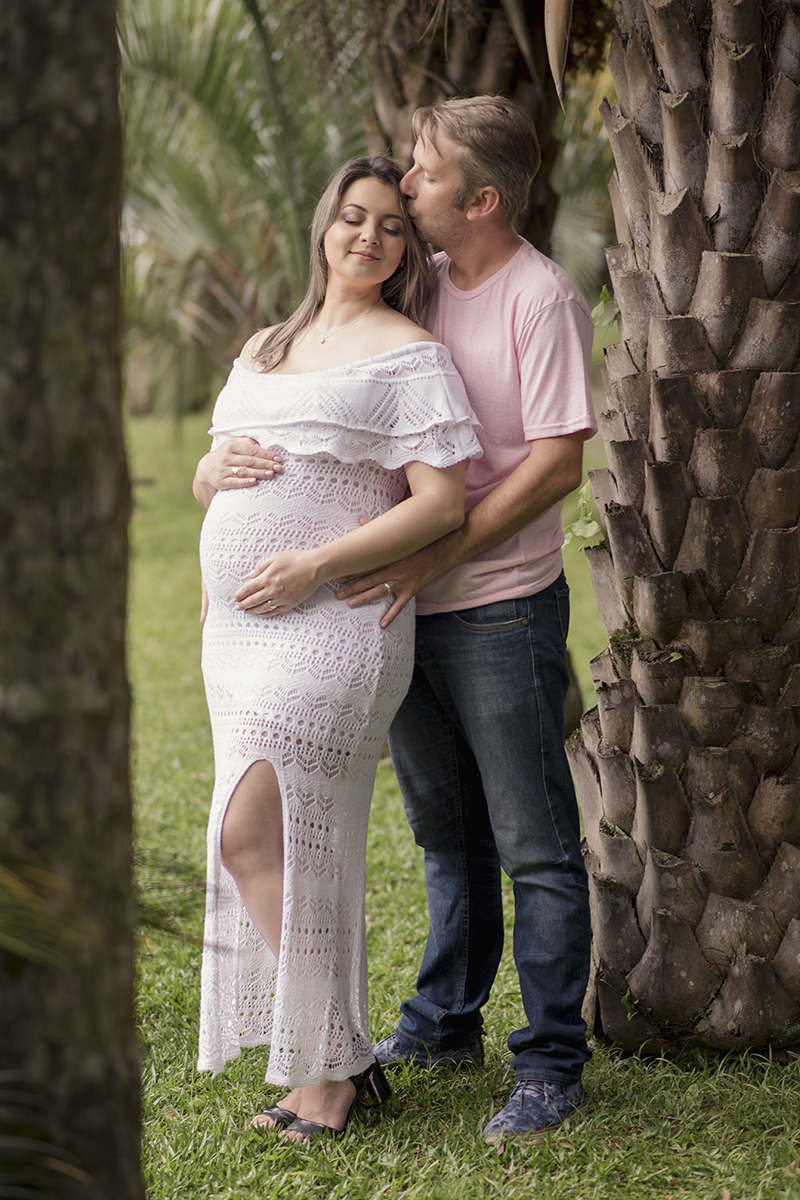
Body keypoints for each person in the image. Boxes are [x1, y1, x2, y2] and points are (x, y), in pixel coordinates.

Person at [192, 156, 481, 1144]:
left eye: (392, 226)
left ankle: (328, 1079)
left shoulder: (407, 354)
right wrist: (203, 470)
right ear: (324, 227)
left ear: (408, 249)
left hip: (334, 625)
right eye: (352, 218)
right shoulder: (264, 346)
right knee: (253, 844)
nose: (368, 236)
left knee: (262, 838)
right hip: (235, 634)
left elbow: (439, 504)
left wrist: (313, 565)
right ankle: (340, 1057)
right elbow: (222, 476)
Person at [335, 96, 597, 1143]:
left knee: (533, 846)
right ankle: (444, 1023)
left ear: (479, 198)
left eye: (423, 172)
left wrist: (442, 551)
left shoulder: (539, 298)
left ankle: (548, 1066)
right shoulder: (422, 286)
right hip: (407, 613)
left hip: (498, 615)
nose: (403, 185)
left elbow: (555, 464)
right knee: (445, 839)